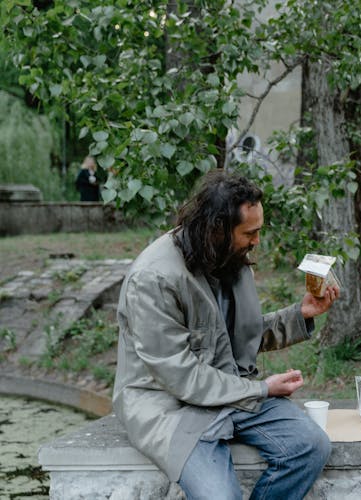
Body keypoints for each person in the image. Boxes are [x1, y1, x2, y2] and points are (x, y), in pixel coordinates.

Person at [112, 170, 340, 500]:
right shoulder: (153, 279)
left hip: (229, 391)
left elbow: (236, 337)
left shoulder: (228, 257)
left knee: (310, 446)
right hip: (170, 406)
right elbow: (180, 375)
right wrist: (262, 388)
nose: (257, 241)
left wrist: (299, 315)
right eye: (250, 233)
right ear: (217, 229)